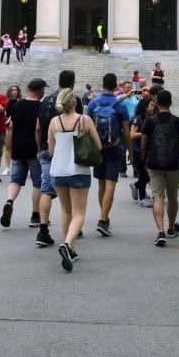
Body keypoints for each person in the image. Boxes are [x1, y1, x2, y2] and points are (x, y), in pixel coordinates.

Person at [49, 87, 102, 272]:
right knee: (79, 213)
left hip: (58, 170)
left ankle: (70, 248)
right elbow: (98, 145)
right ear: (74, 102)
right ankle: (67, 244)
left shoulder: (54, 122)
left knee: (65, 210)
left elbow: (50, 150)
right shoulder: (84, 120)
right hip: (79, 169)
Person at [35, 69, 83, 248]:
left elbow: (38, 127)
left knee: (46, 190)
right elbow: (79, 124)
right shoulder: (74, 100)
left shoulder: (46, 100)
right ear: (73, 83)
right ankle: (73, 227)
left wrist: (40, 147)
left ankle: (43, 229)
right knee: (71, 190)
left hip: (48, 149)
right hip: (69, 152)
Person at [140, 89, 179, 246]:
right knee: (173, 197)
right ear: (171, 102)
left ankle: (160, 231)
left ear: (156, 102)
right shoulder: (178, 121)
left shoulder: (149, 121)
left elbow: (143, 143)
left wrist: (145, 159)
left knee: (157, 196)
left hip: (154, 163)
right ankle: (171, 227)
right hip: (174, 164)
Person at [86, 72, 131, 237]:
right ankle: (103, 219)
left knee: (101, 184)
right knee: (111, 183)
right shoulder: (120, 105)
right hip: (114, 148)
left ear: (103, 84)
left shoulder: (93, 103)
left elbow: (87, 126)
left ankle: (104, 216)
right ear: (116, 87)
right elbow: (126, 132)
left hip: (98, 149)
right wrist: (130, 153)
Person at [0, 78, 45, 229]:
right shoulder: (41, 106)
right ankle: (35, 215)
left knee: (15, 180)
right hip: (34, 150)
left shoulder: (17, 105)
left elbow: (11, 126)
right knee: (38, 183)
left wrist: (11, 146)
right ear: (39, 90)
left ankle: (9, 201)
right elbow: (39, 128)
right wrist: (40, 148)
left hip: (18, 148)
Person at [129, 96, 154, 207]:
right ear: (145, 107)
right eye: (151, 105)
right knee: (145, 175)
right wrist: (145, 132)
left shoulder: (151, 118)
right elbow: (132, 134)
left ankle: (139, 189)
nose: (154, 107)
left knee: (146, 174)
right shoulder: (137, 119)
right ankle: (141, 195)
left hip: (148, 150)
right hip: (137, 150)